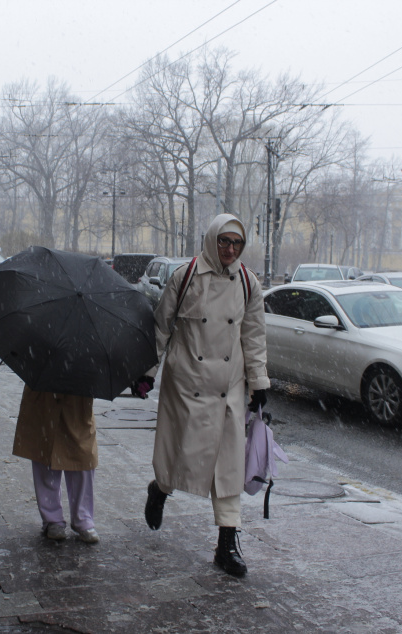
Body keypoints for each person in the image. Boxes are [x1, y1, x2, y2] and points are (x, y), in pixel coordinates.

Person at [133, 213, 269, 578]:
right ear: (212, 240)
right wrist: (147, 373)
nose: (229, 249)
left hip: (229, 388)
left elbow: (253, 336)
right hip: (186, 383)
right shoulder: (186, 276)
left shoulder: (247, 282)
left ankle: (227, 544)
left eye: (236, 243)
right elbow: (162, 327)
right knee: (180, 454)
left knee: (229, 467)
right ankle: (160, 489)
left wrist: (258, 384)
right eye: (223, 241)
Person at [12, 386, 100, 544]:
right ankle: (52, 519)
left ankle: (83, 518)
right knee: (45, 450)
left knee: (82, 454)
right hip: (44, 388)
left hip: (79, 391)